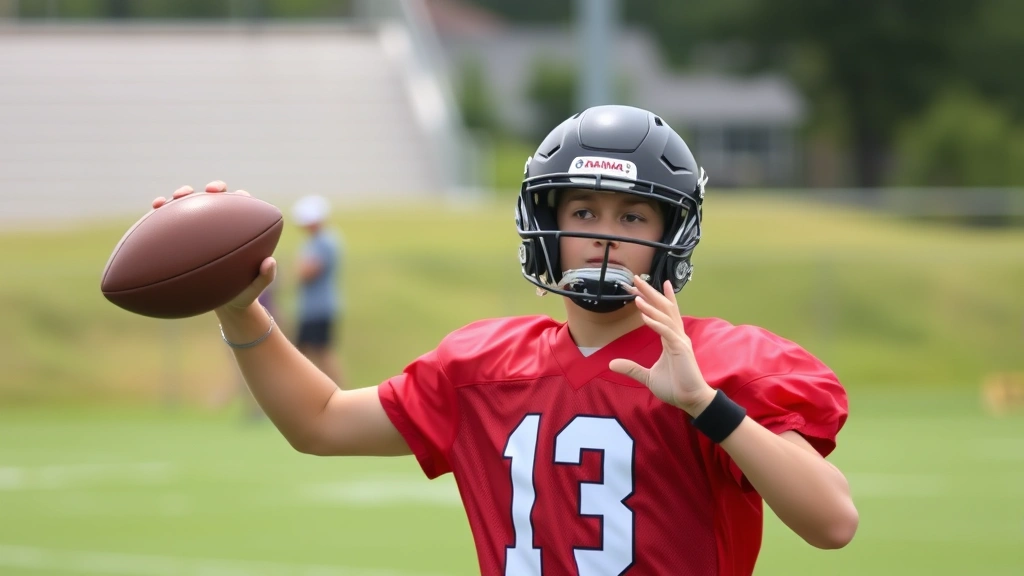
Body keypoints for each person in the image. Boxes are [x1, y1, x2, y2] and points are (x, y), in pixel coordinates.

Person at [153, 105, 857, 575]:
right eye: (583, 209)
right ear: (547, 221)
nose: (605, 235)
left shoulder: (724, 364)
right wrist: (240, 309)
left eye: (634, 217)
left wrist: (705, 403)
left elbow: (832, 522)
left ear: (671, 235)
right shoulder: (485, 365)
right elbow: (321, 421)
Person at [291, 194, 346, 389]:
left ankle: (339, 392)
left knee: (320, 351)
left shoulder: (323, 241)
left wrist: (297, 269)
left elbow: (307, 272)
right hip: (313, 308)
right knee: (307, 352)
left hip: (318, 308)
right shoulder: (318, 241)